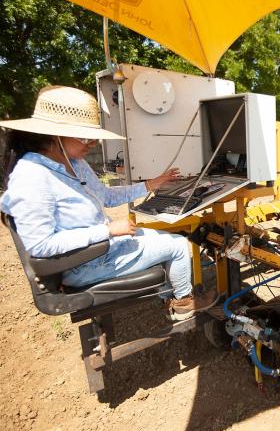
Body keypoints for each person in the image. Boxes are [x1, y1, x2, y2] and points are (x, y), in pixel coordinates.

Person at [0, 85, 215, 321]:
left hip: (106, 247)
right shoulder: (31, 175)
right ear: (55, 134)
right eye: (86, 138)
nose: (92, 145)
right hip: (85, 262)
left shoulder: (73, 162)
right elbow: (41, 246)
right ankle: (183, 303)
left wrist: (150, 185)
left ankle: (169, 296)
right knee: (178, 246)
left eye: (94, 140)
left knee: (166, 238)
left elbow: (106, 196)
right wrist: (107, 230)